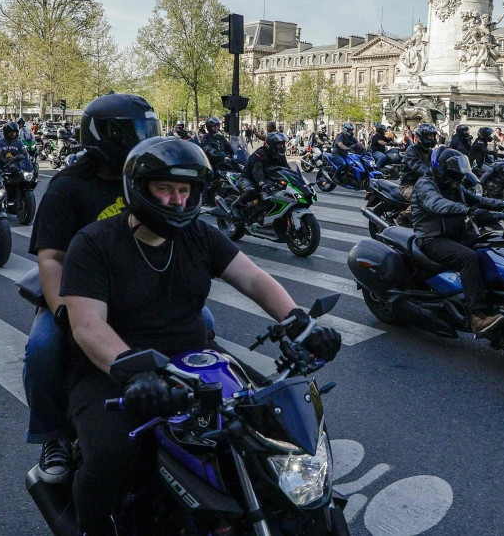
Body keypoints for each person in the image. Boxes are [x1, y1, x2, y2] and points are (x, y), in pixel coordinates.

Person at [60, 136, 340, 534]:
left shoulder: (200, 236)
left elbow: (254, 278)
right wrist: (132, 372)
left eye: (184, 190)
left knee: (272, 425)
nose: (177, 200)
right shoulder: (94, 244)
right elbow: (87, 324)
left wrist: (301, 322)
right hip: (115, 372)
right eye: (165, 189)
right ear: (139, 189)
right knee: (113, 456)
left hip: (195, 361)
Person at [22, 94, 163, 484]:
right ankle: (52, 436)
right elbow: (51, 258)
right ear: (106, 137)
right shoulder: (68, 187)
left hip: (135, 289)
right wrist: (63, 314)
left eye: (148, 132)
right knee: (43, 348)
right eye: (135, 133)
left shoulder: (145, 181)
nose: (144, 141)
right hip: (77, 293)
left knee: (204, 320)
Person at [412, 147, 504, 336]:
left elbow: (477, 199)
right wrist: (468, 210)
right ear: (442, 169)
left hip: (456, 235)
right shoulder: (425, 184)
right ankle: (477, 316)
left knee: (493, 242)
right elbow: (436, 204)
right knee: (468, 257)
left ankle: (497, 298)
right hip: (432, 239)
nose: (457, 178)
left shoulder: (455, 186)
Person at [234, 131, 289, 218]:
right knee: (252, 191)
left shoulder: (280, 155)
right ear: (271, 145)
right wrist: (263, 184)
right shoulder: (260, 154)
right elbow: (257, 171)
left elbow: (287, 169)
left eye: (283, 144)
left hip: (267, 179)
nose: (282, 147)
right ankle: (235, 207)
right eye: (279, 145)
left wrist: (298, 180)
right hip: (248, 178)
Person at [399, 123, 438, 201]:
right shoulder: (412, 150)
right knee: (421, 200)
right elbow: (417, 165)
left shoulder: (430, 151)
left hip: (425, 184)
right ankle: (403, 214)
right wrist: (430, 173)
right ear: (422, 136)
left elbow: (435, 163)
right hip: (409, 185)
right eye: (430, 136)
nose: (432, 138)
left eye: (433, 136)